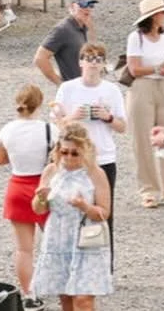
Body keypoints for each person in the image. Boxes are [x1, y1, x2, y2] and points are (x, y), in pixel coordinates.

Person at [31, 123, 112, 311]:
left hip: (85, 238)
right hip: (58, 237)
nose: (68, 158)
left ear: (85, 151)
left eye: (74, 153)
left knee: (83, 299)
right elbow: (38, 209)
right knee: (66, 297)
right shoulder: (51, 170)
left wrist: (85, 206)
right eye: (64, 152)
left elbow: (104, 212)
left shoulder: (95, 174)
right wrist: (41, 198)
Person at [54, 42, 126, 261]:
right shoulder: (67, 89)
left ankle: (104, 264)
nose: (93, 64)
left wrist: (107, 117)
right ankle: (72, 260)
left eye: (98, 59)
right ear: (80, 62)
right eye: (89, 58)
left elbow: (122, 127)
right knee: (71, 211)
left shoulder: (111, 91)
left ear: (103, 64)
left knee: (103, 213)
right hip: (73, 159)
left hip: (103, 158)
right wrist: (73, 116)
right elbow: (58, 125)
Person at [0, 85, 59, 311]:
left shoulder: (8, 130)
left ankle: (29, 294)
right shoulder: (50, 130)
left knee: (24, 249)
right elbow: (59, 159)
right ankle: (61, 285)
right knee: (55, 241)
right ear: (39, 104)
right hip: (44, 186)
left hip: (17, 186)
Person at [124, 0, 164, 208]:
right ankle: (149, 190)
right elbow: (134, 69)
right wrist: (159, 67)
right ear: (153, 16)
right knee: (142, 140)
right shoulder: (136, 38)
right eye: (163, 12)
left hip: (163, 86)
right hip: (142, 87)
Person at [34, 0, 99, 86]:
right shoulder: (63, 29)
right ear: (72, 7)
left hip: (87, 86)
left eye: (91, 5)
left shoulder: (84, 25)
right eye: (83, 5)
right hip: (73, 90)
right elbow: (40, 58)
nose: (88, 9)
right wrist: (60, 83)